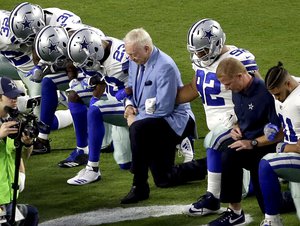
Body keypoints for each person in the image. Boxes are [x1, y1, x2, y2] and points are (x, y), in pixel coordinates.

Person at [177, 18, 261, 216]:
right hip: (221, 128)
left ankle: (213, 198)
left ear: (216, 44)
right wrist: (165, 101)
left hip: (240, 127)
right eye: (196, 51)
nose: (198, 55)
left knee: (212, 142)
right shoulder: (201, 63)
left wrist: (243, 119)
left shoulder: (238, 59)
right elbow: (194, 88)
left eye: (202, 50)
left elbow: (260, 93)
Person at [120, 28, 207, 204]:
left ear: (146, 48)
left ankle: (139, 185)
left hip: (174, 121)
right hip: (152, 120)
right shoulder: (135, 61)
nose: (130, 58)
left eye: (133, 54)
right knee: (164, 179)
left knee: (138, 130)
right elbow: (130, 90)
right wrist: (129, 106)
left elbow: (165, 108)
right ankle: (209, 165)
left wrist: (135, 119)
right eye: (128, 54)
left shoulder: (165, 66)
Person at [204, 57, 282, 226]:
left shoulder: (266, 93)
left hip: (266, 147)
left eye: (228, 84)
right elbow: (243, 115)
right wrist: (237, 127)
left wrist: (252, 143)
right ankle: (235, 212)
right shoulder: (237, 90)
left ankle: (287, 197)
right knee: (229, 155)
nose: (226, 88)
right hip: (249, 144)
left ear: (240, 76)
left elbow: (280, 132)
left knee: (269, 205)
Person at [8, 2, 82, 154]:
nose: (26, 44)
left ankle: (84, 149)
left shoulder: (68, 26)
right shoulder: (36, 25)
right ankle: (43, 138)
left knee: (86, 103)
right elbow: (37, 51)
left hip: (81, 66)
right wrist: (41, 68)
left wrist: (50, 69)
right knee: (46, 85)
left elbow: (76, 60)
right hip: (60, 63)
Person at [64, 27, 133, 185]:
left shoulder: (122, 59)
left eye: (88, 62)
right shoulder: (101, 45)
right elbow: (102, 77)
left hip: (134, 105)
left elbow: (142, 83)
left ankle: (92, 169)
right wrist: (95, 96)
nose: (87, 66)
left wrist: (125, 94)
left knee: (95, 110)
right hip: (116, 99)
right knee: (125, 164)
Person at [259, 62, 300, 226]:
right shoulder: (288, 88)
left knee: (267, 163)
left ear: (288, 84)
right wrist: (275, 130)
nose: (276, 98)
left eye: (278, 94)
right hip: (294, 154)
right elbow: (290, 125)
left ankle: (272, 220)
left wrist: (282, 147)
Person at [0, 76, 39, 226]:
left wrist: (27, 144)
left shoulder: (10, 121)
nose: (14, 99)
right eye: (10, 96)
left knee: (31, 214)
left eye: (16, 95)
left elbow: (20, 154)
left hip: (7, 196)